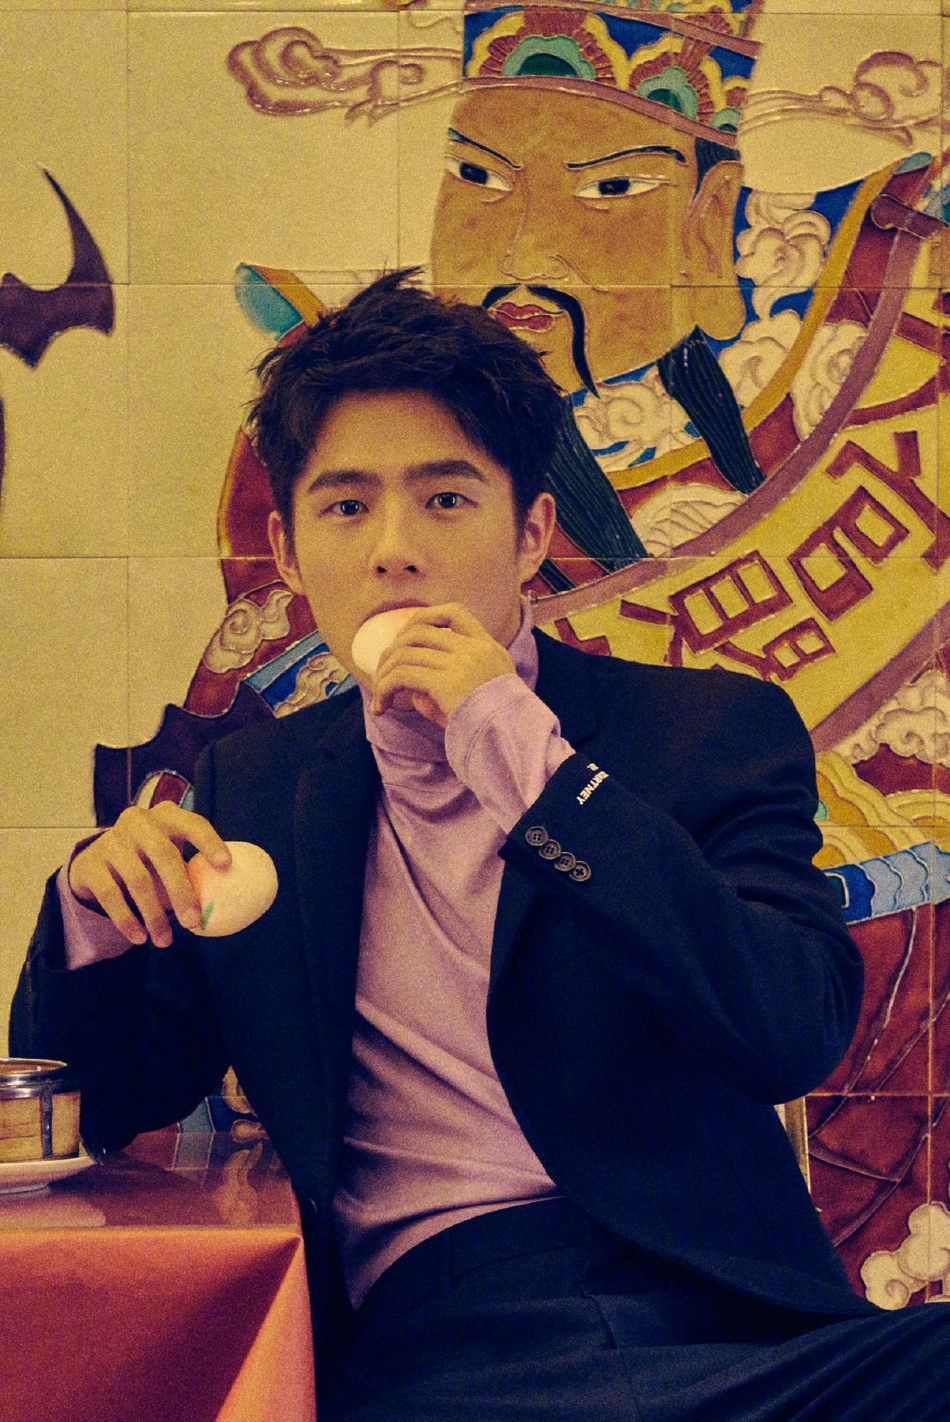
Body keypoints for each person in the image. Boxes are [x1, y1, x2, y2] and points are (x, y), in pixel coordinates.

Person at [12, 272, 950, 1420]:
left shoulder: (704, 733)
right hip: (443, 1346)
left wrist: (525, 762)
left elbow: (784, 1029)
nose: (395, 551)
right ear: (287, 554)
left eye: (446, 499)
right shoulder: (252, 791)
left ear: (530, 536)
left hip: (728, 1329)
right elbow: (102, 1107)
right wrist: (91, 917)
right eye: (346, 508)